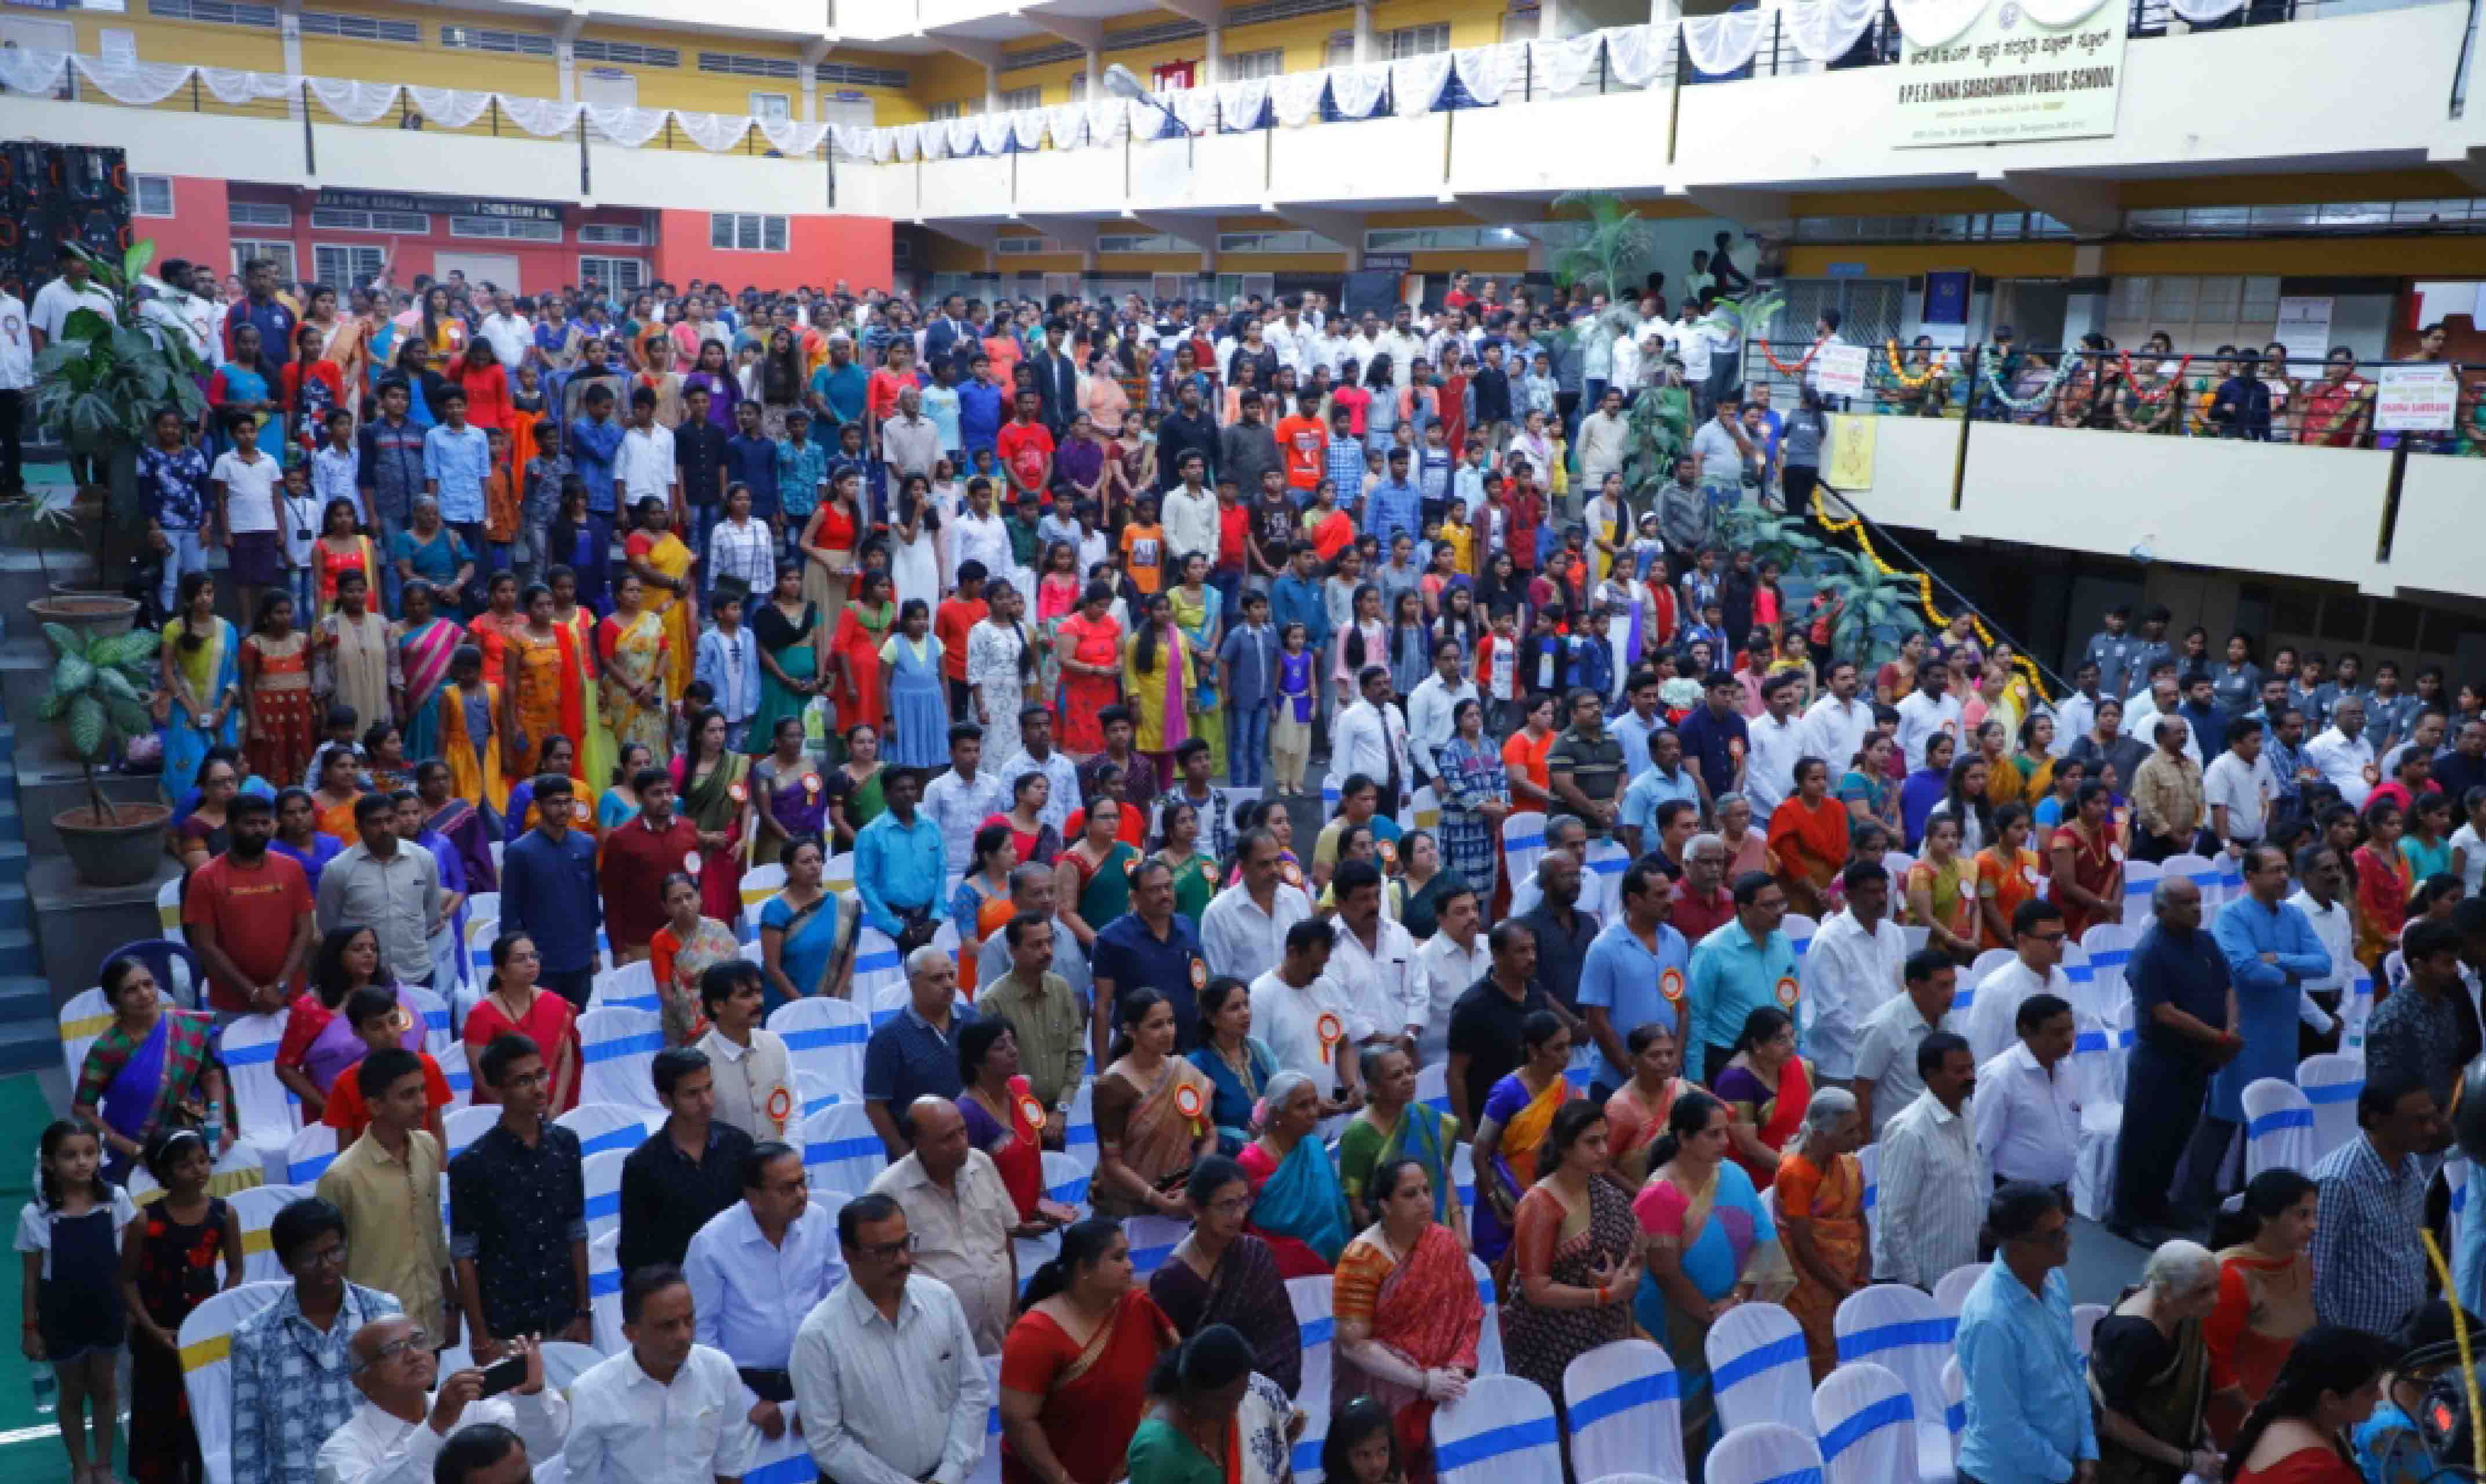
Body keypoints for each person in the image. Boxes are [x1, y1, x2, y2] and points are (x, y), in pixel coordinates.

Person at [788, 1192, 993, 1484]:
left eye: (905, 1244)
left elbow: (972, 1391)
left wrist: (948, 1475)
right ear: (848, 1254)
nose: (903, 1260)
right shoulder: (818, 1337)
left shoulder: (941, 1300)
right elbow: (827, 1442)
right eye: (885, 1251)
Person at [1632, 1089, 1776, 1468]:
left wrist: (1737, 1300)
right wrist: (1712, 1316)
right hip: (1676, 1323)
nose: (1725, 1142)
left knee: (1731, 1409)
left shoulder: (1735, 1175)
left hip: (1729, 1312)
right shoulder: (1660, 1195)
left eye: (1726, 1132)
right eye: (1713, 1134)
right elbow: (1665, 1272)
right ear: (1684, 1138)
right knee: (1684, 1424)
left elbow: (1764, 1241)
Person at [230, 1198, 405, 1484]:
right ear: (286, 1264)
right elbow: (248, 1441)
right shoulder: (254, 1336)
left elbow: (406, 1408)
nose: (327, 1266)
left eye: (334, 1252)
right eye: (310, 1257)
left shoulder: (382, 1314)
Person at [2113, 875, 2243, 1241]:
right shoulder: (2150, 951)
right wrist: (2219, 1038)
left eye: (2198, 901)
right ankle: (2128, 1217)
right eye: (2186, 903)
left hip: (2197, 1058)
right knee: (2146, 1140)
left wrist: (2231, 1029)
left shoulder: (2205, 941)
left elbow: (2229, 987)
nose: (2196, 909)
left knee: (2178, 1136)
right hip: (2160, 1061)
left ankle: (2157, 1205)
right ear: (2161, 910)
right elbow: (2164, 1013)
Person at [681, 1140, 841, 1436]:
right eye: (788, 1188)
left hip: (814, 1374)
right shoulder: (711, 1244)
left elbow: (838, 1300)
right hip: (744, 1386)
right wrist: (745, 1401)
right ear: (753, 1197)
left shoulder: (817, 1220)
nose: (801, 1195)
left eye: (802, 1183)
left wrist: (824, 1389)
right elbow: (701, 1335)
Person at [1000, 1217, 1177, 1484]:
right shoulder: (1035, 1333)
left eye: (1128, 1255)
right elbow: (1018, 1420)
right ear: (1084, 1268)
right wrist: (1063, 1480)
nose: (1130, 1266)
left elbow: (1178, 1366)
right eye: (1118, 1258)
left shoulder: (1137, 1307)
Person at [449, 1034, 590, 1361]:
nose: (539, 1088)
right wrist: (480, 1337)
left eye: (541, 1075)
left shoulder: (566, 1145)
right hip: (506, 1327)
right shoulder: (472, 1164)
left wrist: (584, 1312)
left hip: (564, 1316)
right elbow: (464, 1255)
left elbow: (576, 1230)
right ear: (497, 1090)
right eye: (523, 1081)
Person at [119, 1127, 242, 1484]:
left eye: (203, 1160)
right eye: (187, 1165)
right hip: (159, 1333)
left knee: (203, 1414)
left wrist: (219, 1311)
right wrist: (150, 1328)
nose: (199, 1170)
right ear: (166, 1173)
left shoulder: (224, 1213)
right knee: (158, 1418)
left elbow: (236, 1268)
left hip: (203, 1331)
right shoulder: (146, 1220)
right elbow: (127, 1280)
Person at [562, 1265, 759, 1484]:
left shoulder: (719, 1370)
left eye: (689, 1320)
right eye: (668, 1326)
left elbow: (730, 1468)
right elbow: (582, 1478)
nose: (684, 1335)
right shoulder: (592, 1392)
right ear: (631, 1333)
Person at [1956, 1184, 2099, 1484]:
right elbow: (2003, 1425)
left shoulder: (2054, 1281)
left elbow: (2073, 1368)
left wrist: (2088, 1449)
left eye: (2066, 1227)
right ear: (2018, 1245)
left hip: (2059, 1467)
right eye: (2054, 1235)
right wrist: (2067, 1473)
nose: (2069, 1240)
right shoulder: (1991, 1319)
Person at [19, 1119, 135, 1484]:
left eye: (90, 1153)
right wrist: (31, 1328)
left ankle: (103, 1464)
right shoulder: (35, 1214)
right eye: (70, 1156)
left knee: (105, 1388)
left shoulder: (116, 1200)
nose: (82, 1162)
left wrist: (132, 1310)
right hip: (61, 1317)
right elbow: (31, 1279)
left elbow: (128, 1263)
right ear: (50, 1163)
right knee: (72, 1393)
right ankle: (80, 1467)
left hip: (107, 1311)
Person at [314, 1318, 568, 1484]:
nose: (413, 1355)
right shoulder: (341, 1450)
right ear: (362, 1380)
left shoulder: (471, 1406)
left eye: (417, 1341)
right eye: (393, 1350)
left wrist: (532, 1396)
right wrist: (435, 1427)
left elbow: (543, 1449)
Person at [314, 1047, 454, 1343]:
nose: (423, 1103)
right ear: (376, 1106)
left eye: (423, 1090)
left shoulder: (428, 1147)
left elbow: (435, 1233)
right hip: (375, 1332)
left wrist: (451, 1304)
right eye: (408, 1095)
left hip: (429, 1320)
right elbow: (327, 1265)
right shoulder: (341, 1177)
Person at [865, 1096, 1019, 1356]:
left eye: (963, 1131)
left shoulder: (981, 1164)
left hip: (997, 1335)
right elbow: (879, 1275)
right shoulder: (889, 1191)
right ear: (919, 1142)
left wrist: (1013, 1309)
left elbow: (1005, 1237)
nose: (961, 1144)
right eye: (948, 1138)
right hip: (934, 1345)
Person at [1150, 1156, 1304, 1398]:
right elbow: (1171, 1360)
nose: (1239, 1214)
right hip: (1204, 1402)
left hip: (1265, 1395)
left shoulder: (1255, 1253)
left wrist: (1263, 1398)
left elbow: (1281, 1337)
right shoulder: (1173, 1279)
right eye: (1227, 1205)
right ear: (1195, 1208)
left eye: (1244, 1202)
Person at [71, 958, 230, 1185]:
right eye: (131, 990)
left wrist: (218, 1124)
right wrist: (131, 1148)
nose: (144, 994)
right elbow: (83, 1109)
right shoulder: (108, 1048)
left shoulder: (186, 1026)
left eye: (148, 984)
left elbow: (211, 1076)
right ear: (114, 1001)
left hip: (191, 1141)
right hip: (133, 1153)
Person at [2309, 1076, 2440, 1336]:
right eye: (2418, 1121)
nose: (2431, 1130)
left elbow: (2413, 1249)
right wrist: (2344, 1346)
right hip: (2361, 1345)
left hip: (2407, 1337)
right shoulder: (2337, 1181)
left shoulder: (2412, 1166)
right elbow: (2315, 1280)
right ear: (2375, 1120)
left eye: (2431, 1118)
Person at [2089, 1240, 2224, 1484]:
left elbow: (2184, 1392)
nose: (2216, 1299)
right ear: (2165, 1290)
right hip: (2131, 1464)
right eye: (2203, 1291)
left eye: (2217, 1287)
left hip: (2170, 1445)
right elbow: (2113, 1423)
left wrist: (2201, 1433)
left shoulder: (2179, 1309)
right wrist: (2187, 1460)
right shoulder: (2136, 1339)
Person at [2205, 1169, 2321, 1447]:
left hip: (2284, 1411)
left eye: (2314, 1215)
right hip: (2238, 1423)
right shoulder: (2230, 1277)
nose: (2313, 1225)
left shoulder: (2302, 1265)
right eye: (2302, 1215)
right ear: (2266, 1217)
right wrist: (2261, 1418)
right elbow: (2217, 1367)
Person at [618, 1046, 754, 1279]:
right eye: (692, 1094)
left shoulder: (739, 1146)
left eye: (709, 1088)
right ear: (665, 1100)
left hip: (741, 1280)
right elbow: (635, 1253)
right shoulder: (642, 1166)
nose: (706, 1102)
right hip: (679, 1286)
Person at [183, 789, 318, 1019]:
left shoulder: (292, 869)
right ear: (229, 828)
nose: (259, 830)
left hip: (289, 997)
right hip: (233, 1003)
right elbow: (205, 945)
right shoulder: (205, 878)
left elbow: (305, 931)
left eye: (265, 823)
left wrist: (280, 986)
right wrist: (252, 992)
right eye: (250, 823)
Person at [1872, 1032, 1987, 1289]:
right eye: (1959, 1071)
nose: (1971, 1076)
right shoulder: (1910, 1131)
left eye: (1971, 1068)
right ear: (1931, 1075)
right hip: (1918, 1280)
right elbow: (1893, 1220)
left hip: (1957, 1270)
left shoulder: (1967, 1111)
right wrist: (1913, 1284)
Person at [1123, 1322, 1298, 1484]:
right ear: (1192, 1390)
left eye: (1240, 1397)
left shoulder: (1256, 1392)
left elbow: (1288, 1428)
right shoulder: (1157, 1447)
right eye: (1222, 1401)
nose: (1234, 1409)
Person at [1776, 1086, 1870, 1381]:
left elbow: (1859, 1218)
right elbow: (1803, 1246)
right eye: (1849, 1132)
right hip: (1812, 1284)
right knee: (1822, 1359)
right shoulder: (1796, 1173)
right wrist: (1842, 1288)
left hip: (1850, 1279)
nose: (1859, 1138)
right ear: (1820, 1135)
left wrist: (1862, 1271)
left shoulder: (1849, 1164)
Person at [2224, 1326, 2397, 1484]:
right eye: (2370, 1390)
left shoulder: (2268, 1416)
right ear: (2330, 1399)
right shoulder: (2320, 1471)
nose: (2380, 1396)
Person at [1336, 1045, 1463, 1240]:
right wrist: (1396, 1246)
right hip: (1386, 1241)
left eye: (1410, 1071)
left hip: (1437, 1235)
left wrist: (1460, 1229)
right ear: (1374, 1088)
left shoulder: (1423, 1117)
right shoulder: (1359, 1134)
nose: (1408, 1079)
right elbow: (1356, 1206)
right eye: (1397, 1076)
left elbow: (1444, 1176)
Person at [1685, 871, 1799, 1083]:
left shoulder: (1783, 941)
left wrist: (1796, 1052)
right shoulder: (1711, 950)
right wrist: (1696, 1077)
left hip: (1779, 1058)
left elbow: (1793, 1001)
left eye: (1781, 903)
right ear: (1744, 909)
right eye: (1769, 906)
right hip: (1729, 1058)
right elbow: (1696, 1016)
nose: (1779, 912)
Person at [1975, 994, 2081, 1202]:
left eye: (2070, 1030)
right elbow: (1980, 1149)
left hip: (2059, 1195)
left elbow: (2070, 1135)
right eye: (2057, 1033)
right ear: (2027, 1032)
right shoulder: (1999, 1076)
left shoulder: (2069, 1068)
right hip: (2015, 1199)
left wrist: (2070, 1190)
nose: (2068, 1039)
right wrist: (1986, 1210)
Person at [461, 933, 579, 1114]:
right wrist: (518, 1114)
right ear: (500, 971)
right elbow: (481, 1076)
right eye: (520, 959)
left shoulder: (556, 1004)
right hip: (502, 1113)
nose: (531, 963)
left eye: (534, 956)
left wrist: (557, 1105)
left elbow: (566, 1058)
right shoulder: (481, 1015)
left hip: (551, 1109)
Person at [1851, 948, 1961, 1137]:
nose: (1951, 994)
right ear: (1915, 986)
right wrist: (1866, 1147)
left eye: (1953, 984)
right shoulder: (1883, 1027)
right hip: (1896, 1139)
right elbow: (1862, 1090)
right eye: (1943, 986)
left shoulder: (1946, 1018)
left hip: (1941, 1134)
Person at [1964, 898, 2078, 1066]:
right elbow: (1981, 1058)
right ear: (2022, 940)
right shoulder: (1994, 990)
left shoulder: (2062, 980)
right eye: (2052, 939)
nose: (2060, 946)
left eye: (2062, 937)